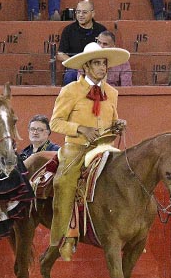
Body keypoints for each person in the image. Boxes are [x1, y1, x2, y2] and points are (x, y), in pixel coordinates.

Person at [50, 42, 129, 260]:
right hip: (76, 148)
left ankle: (130, 232)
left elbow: (111, 120)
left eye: (104, 63)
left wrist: (117, 125)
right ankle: (66, 236)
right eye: (97, 63)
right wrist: (80, 128)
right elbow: (55, 123)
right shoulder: (70, 91)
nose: (102, 67)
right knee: (65, 181)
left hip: (105, 146)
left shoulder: (112, 92)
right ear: (85, 66)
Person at [57, 0, 107, 85]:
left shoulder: (101, 30)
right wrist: (76, 64)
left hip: (96, 65)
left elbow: (107, 51)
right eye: (78, 12)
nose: (80, 15)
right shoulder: (68, 30)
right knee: (70, 75)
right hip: (75, 67)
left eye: (84, 12)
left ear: (93, 13)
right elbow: (60, 54)